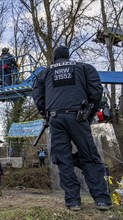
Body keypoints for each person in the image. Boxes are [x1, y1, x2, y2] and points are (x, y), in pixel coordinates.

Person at [32, 45, 112, 211]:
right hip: (78, 116)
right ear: (68, 57)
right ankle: (102, 200)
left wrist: (44, 112)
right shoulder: (84, 68)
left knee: (63, 160)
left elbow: (37, 94)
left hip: (55, 118)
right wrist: (89, 114)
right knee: (89, 156)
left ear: (54, 58)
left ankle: (73, 201)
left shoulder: (44, 73)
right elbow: (96, 91)